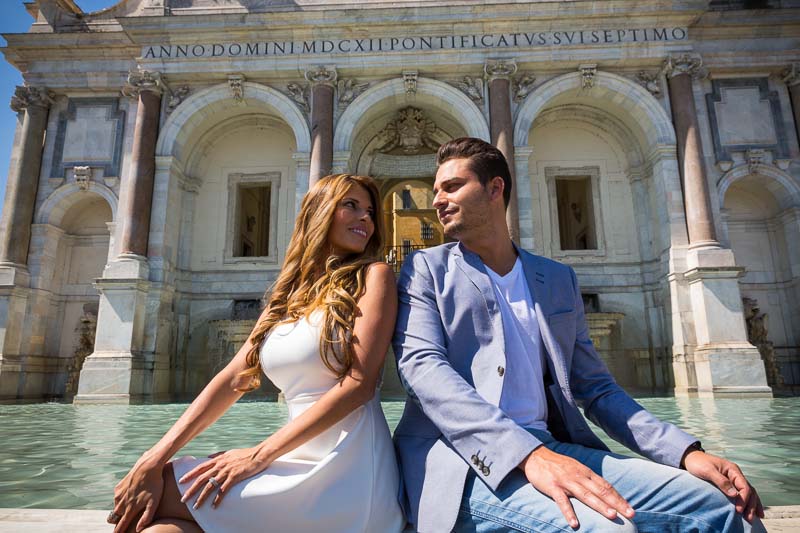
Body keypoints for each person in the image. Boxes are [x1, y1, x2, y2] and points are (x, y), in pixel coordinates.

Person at [392, 137, 765, 533]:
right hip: (463, 462)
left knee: (728, 508)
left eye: (451, 187)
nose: (436, 200)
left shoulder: (556, 278)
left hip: (555, 450)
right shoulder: (425, 268)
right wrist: (525, 454)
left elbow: (597, 390)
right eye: (436, 190)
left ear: (495, 188)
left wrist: (685, 452)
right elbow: (423, 369)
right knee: (609, 529)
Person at [109, 174, 405, 533]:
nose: (366, 219)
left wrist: (257, 455)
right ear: (320, 212)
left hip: (347, 469)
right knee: (151, 513)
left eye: (370, 212)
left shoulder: (374, 276)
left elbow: (359, 384)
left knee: (162, 490)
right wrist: (155, 455)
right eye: (351, 206)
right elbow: (235, 377)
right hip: (291, 455)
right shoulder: (288, 294)